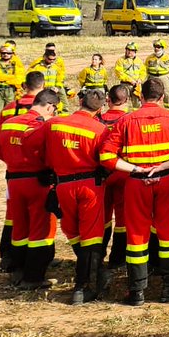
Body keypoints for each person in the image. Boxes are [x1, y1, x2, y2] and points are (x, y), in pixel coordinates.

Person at [98, 78, 169, 305]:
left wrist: (136, 169)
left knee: (136, 235)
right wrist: (164, 166)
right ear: (163, 97)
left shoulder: (125, 121)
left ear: (141, 97)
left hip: (136, 182)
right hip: (167, 181)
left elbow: (106, 156)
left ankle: (137, 291)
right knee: (168, 234)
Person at [25, 88, 111, 304]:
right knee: (91, 236)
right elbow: (108, 159)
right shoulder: (100, 130)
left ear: (80, 102)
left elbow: (29, 142)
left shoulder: (54, 123)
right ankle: (83, 286)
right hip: (91, 186)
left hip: (63, 185)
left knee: (72, 230)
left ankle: (90, 272)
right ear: (100, 109)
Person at [0, 89, 60, 288]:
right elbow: (51, 155)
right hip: (37, 182)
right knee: (41, 230)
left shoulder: (8, 123)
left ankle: (18, 271)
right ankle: (34, 278)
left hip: (14, 181)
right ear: (50, 107)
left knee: (20, 228)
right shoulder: (42, 125)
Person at [98, 85, 133, 269]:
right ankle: (118, 259)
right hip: (124, 173)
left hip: (102, 174)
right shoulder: (130, 120)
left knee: (101, 218)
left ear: (108, 100)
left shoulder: (98, 119)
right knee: (123, 219)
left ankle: (97, 256)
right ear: (127, 100)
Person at [29, 44, 70, 112]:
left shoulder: (56, 67)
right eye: (50, 59)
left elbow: (60, 78)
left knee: (64, 103)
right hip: (43, 90)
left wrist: (57, 87)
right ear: (45, 57)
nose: (52, 61)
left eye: (53, 59)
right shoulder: (37, 67)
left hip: (55, 89)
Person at [144, 40, 169, 109]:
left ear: (163, 48)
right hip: (152, 77)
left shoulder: (168, 58)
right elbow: (145, 69)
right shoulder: (149, 58)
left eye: (158, 47)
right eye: (155, 47)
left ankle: (168, 111)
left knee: (167, 95)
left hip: (164, 77)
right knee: (152, 94)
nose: (156, 48)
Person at [113, 42, 144, 107]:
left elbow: (143, 72)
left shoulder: (139, 61)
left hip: (136, 86)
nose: (129, 52)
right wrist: (130, 80)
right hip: (125, 84)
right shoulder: (120, 60)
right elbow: (119, 73)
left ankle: (135, 113)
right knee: (123, 102)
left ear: (135, 51)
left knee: (137, 104)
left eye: (132, 50)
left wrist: (140, 79)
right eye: (128, 50)